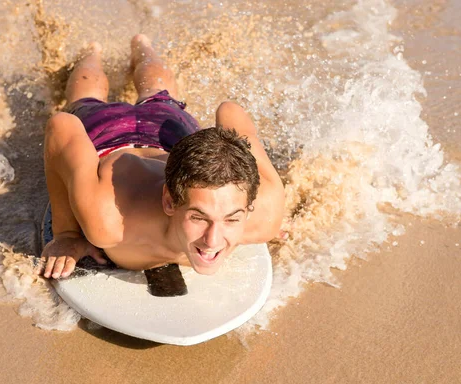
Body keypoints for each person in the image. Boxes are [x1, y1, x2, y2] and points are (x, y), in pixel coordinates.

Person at [41, 34, 285, 279]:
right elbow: (61, 127)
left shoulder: (266, 216)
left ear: (249, 207)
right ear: (169, 201)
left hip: (170, 135)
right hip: (108, 135)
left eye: (232, 219)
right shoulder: (110, 222)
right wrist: (67, 234)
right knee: (84, 100)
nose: (212, 240)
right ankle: (91, 52)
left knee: (158, 92)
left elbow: (229, 111)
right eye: (198, 217)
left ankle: (142, 45)